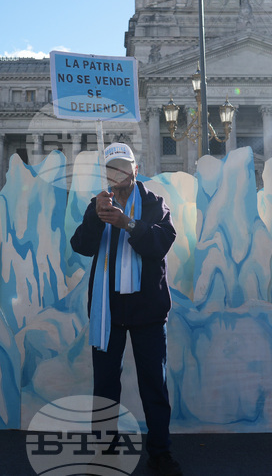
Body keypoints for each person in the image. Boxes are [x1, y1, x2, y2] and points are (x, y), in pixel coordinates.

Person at [71, 143, 182, 476]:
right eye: (111, 168)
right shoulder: (98, 204)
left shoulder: (153, 203)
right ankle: (105, 451)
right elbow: (81, 246)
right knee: (105, 385)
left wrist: (127, 223)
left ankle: (160, 453)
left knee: (154, 384)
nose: (117, 173)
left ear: (135, 170)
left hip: (148, 311)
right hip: (108, 311)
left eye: (123, 167)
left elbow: (162, 242)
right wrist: (95, 216)